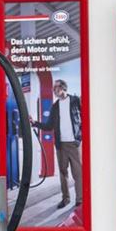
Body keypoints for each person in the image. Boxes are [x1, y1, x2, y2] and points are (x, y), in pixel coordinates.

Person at [33, 79, 82, 209]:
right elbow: (49, 126)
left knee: (78, 173)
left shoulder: (76, 101)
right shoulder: (55, 107)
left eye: (57, 87)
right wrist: (35, 123)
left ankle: (80, 199)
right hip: (61, 145)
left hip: (74, 144)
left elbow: (85, 118)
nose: (54, 90)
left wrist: (80, 136)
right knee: (62, 172)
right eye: (53, 88)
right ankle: (65, 199)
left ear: (63, 87)